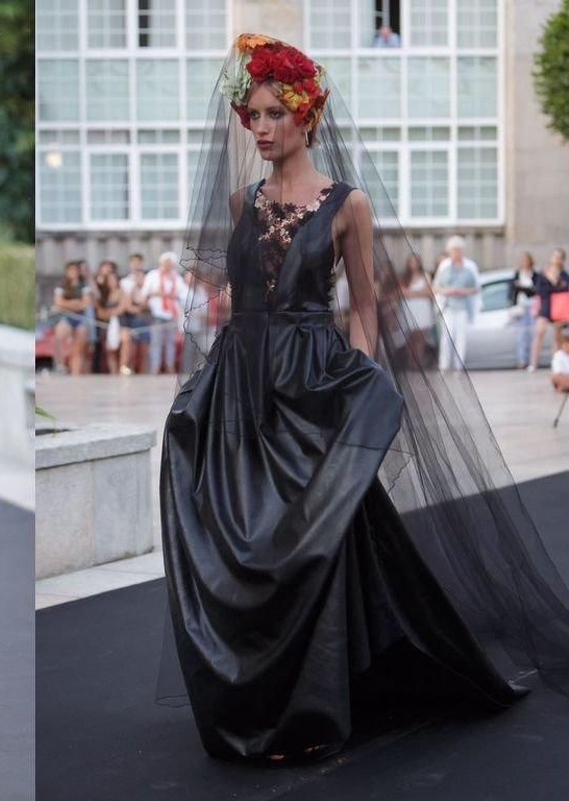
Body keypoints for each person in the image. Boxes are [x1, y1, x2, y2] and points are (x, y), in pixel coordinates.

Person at [161, 34, 569, 764]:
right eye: (249, 115)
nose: (257, 128)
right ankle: (250, 697)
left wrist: (359, 386)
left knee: (313, 545)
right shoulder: (240, 200)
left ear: (305, 116)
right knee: (242, 546)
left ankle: (312, 709)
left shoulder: (348, 204)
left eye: (270, 114)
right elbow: (230, 297)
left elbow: (363, 307)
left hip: (316, 385)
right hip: (244, 388)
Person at [433, 235, 480, 371]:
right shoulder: (444, 266)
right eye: (453, 250)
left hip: (463, 308)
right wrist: (448, 291)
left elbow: (476, 288)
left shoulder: (470, 266)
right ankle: (444, 365)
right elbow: (436, 287)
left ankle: (459, 366)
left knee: (461, 338)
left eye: (458, 250)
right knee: (446, 337)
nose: (456, 253)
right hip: (448, 307)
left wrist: (464, 292)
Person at [142, 252, 187, 374]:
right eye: (166, 263)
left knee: (170, 342)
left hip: (171, 314)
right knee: (156, 341)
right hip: (157, 313)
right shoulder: (153, 275)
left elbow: (184, 294)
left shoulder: (176, 277)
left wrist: (174, 295)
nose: (168, 266)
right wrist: (155, 292)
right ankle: (155, 367)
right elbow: (144, 293)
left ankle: (169, 366)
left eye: (170, 263)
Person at [528, 248, 569, 371]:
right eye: (554, 256)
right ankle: (533, 363)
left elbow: (565, 289)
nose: (556, 259)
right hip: (546, 306)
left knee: (557, 337)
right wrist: (553, 283)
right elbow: (540, 289)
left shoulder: (563, 275)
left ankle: (555, 363)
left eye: (558, 257)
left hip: (559, 308)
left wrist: (556, 281)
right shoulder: (544, 273)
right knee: (539, 332)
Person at [51, 261, 93, 375]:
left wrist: (67, 303)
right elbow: (58, 303)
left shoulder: (84, 286)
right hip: (67, 317)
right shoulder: (62, 286)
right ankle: (60, 363)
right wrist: (75, 303)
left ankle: (76, 372)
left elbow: (85, 303)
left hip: (80, 318)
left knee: (78, 347)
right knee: (58, 336)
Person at [398, 253, 434, 368]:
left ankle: (417, 363)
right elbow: (402, 292)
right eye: (411, 261)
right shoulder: (404, 277)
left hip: (422, 310)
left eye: (415, 261)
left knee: (420, 338)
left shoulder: (425, 275)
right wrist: (419, 293)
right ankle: (411, 363)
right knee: (410, 338)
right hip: (409, 310)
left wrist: (411, 294)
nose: (413, 264)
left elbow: (428, 292)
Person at [117, 253, 150, 374]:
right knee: (130, 345)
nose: (136, 265)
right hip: (129, 317)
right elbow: (125, 302)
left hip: (145, 316)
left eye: (138, 262)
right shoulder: (124, 281)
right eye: (134, 262)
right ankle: (126, 367)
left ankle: (143, 372)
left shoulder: (148, 279)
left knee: (144, 347)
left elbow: (148, 300)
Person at [510, 252, 540, 369]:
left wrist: (522, 288)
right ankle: (522, 360)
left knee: (533, 335)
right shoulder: (518, 274)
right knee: (521, 336)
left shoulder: (535, 275)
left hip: (532, 307)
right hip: (521, 308)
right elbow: (513, 289)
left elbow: (535, 291)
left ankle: (532, 361)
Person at [93, 260, 123, 374]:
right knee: (108, 349)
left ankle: (121, 370)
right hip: (104, 324)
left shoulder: (121, 291)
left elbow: (122, 307)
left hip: (119, 323)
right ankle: (113, 372)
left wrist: (108, 313)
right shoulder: (102, 293)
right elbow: (99, 311)